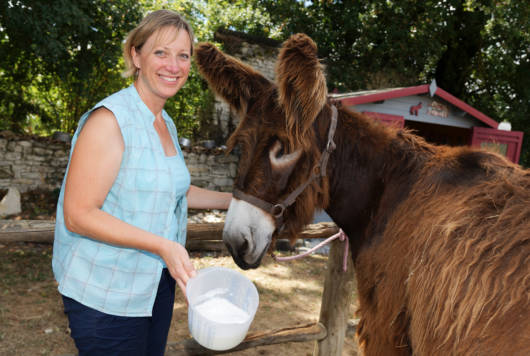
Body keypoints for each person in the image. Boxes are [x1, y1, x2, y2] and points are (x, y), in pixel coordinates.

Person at [52, 10, 232, 356]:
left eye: (183, 56)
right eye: (161, 53)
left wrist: (231, 200)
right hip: (105, 296)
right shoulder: (109, 120)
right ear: (136, 56)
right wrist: (162, 246)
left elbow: (172, 191)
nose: (174, 65)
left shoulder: (166, 122)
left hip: (154, 288)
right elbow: (78, 214)